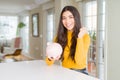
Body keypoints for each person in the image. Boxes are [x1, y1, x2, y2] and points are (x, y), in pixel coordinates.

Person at [46, 5, 90, 75]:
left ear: (76, 18)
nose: (67, 21)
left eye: (70, 17)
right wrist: (51, 57)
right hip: (64, 71)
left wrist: (79, 38)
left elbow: (79, 61)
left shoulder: (84, 36)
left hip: (80, 72)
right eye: (64, 18)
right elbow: (48, 63)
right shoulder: (59, 37)